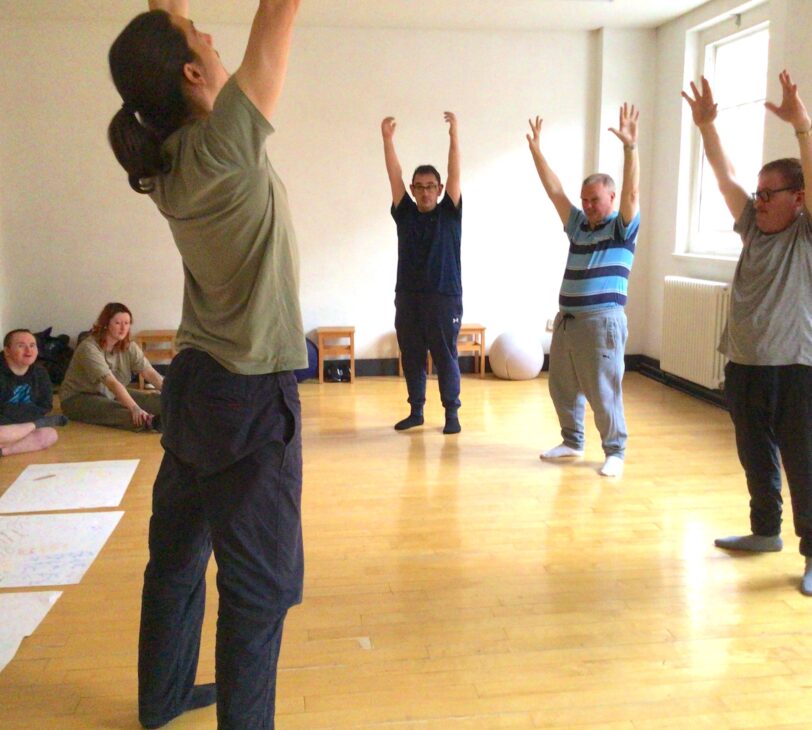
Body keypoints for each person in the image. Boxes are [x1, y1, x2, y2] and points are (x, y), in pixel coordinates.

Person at [108, 1, 305, 727]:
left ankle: (161, 702)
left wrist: (173, 19)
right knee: (257, 599)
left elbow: (168, 20)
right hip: (249, 397)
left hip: (192, 386)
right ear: (193, 73)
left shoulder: (161, 155)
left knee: (176, 563)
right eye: (201, 40)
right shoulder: (224, 144)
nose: (214, 40)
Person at [682, 70, 812, 595]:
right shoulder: (752, 226)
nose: (758, 201)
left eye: (769, 193)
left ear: (798, 197)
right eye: (757, 193)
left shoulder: (805, 236)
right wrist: (708, 128)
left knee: (803, 460)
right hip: (743, 361)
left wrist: (801, 125)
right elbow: (723, 172)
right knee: (754, 451)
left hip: (795, 366)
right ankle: (765, 531)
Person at [526, 104, 640, 477]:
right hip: (568, 322)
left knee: (603, 391)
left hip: (602, 323)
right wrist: (537, 153)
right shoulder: (578, 225)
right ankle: (573, 441)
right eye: (585, 199)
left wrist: (629, 149)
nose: (588, 206)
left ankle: (615, 451)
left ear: (611, 198)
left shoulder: (621, 228)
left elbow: (633, 194)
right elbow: (555, 190)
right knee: (561, 386)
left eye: (596, 199)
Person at [382, 112, 463, 434]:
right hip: (409, 297)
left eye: (432, 187)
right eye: (420, 187)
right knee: (412, 356)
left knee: (445, 357)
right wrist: (387, 140)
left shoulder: (450, 213)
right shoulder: (405, 214)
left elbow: (456, 171)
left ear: (440, 189)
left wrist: (454, 136)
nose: (426, 192)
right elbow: (394, 175)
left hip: (444, 298)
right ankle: (416, 411)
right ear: (414, 190)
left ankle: (451, 415)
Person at [60, 303, 163, 432]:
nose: (123, 328)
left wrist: (173, 395)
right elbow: (112, 383)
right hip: (79, 398)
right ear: (105, 324)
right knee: (127, 413)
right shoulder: (89, 348)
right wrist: (135, 408)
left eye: (127, 323)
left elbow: (150, 373)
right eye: (118, 323)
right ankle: (152, 422)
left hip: (110, 393)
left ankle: (180, 412)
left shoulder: (129, 346)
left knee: (156, 400)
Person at [0, 329, 64, 457]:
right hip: (5, 426)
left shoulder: (40, 373)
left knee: (50, 435)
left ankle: (3, 450)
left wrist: (24, 425)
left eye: (32, 345)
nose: (28, 351)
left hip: (25, 425)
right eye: (21, 346)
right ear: (7, 351)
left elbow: (45, 406)